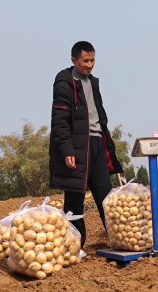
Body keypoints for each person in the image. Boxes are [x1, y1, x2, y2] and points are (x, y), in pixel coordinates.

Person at [49, 41, 123, 250]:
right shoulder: (64, 83)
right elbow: (59, 120)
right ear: (74, 60)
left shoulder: (94, 82)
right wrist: (67, 150)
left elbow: (99, 115)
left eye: (92, 60)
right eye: (85, 61)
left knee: (106, 196)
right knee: (74, 199)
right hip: (77, 147)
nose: (89, 65)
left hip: (97, 143)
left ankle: (118, 238)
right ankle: (75, 246)